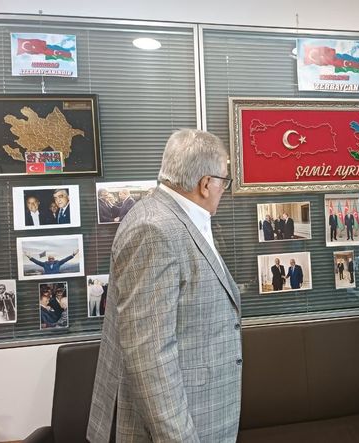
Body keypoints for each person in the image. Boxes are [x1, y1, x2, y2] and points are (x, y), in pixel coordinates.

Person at [87, 129, 242, 443]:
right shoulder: (154, 229)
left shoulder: (174, 218)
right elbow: (150, 357)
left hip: (200, 411)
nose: (223, 190)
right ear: (205, 183)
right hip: (175, 426)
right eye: (223, 181)